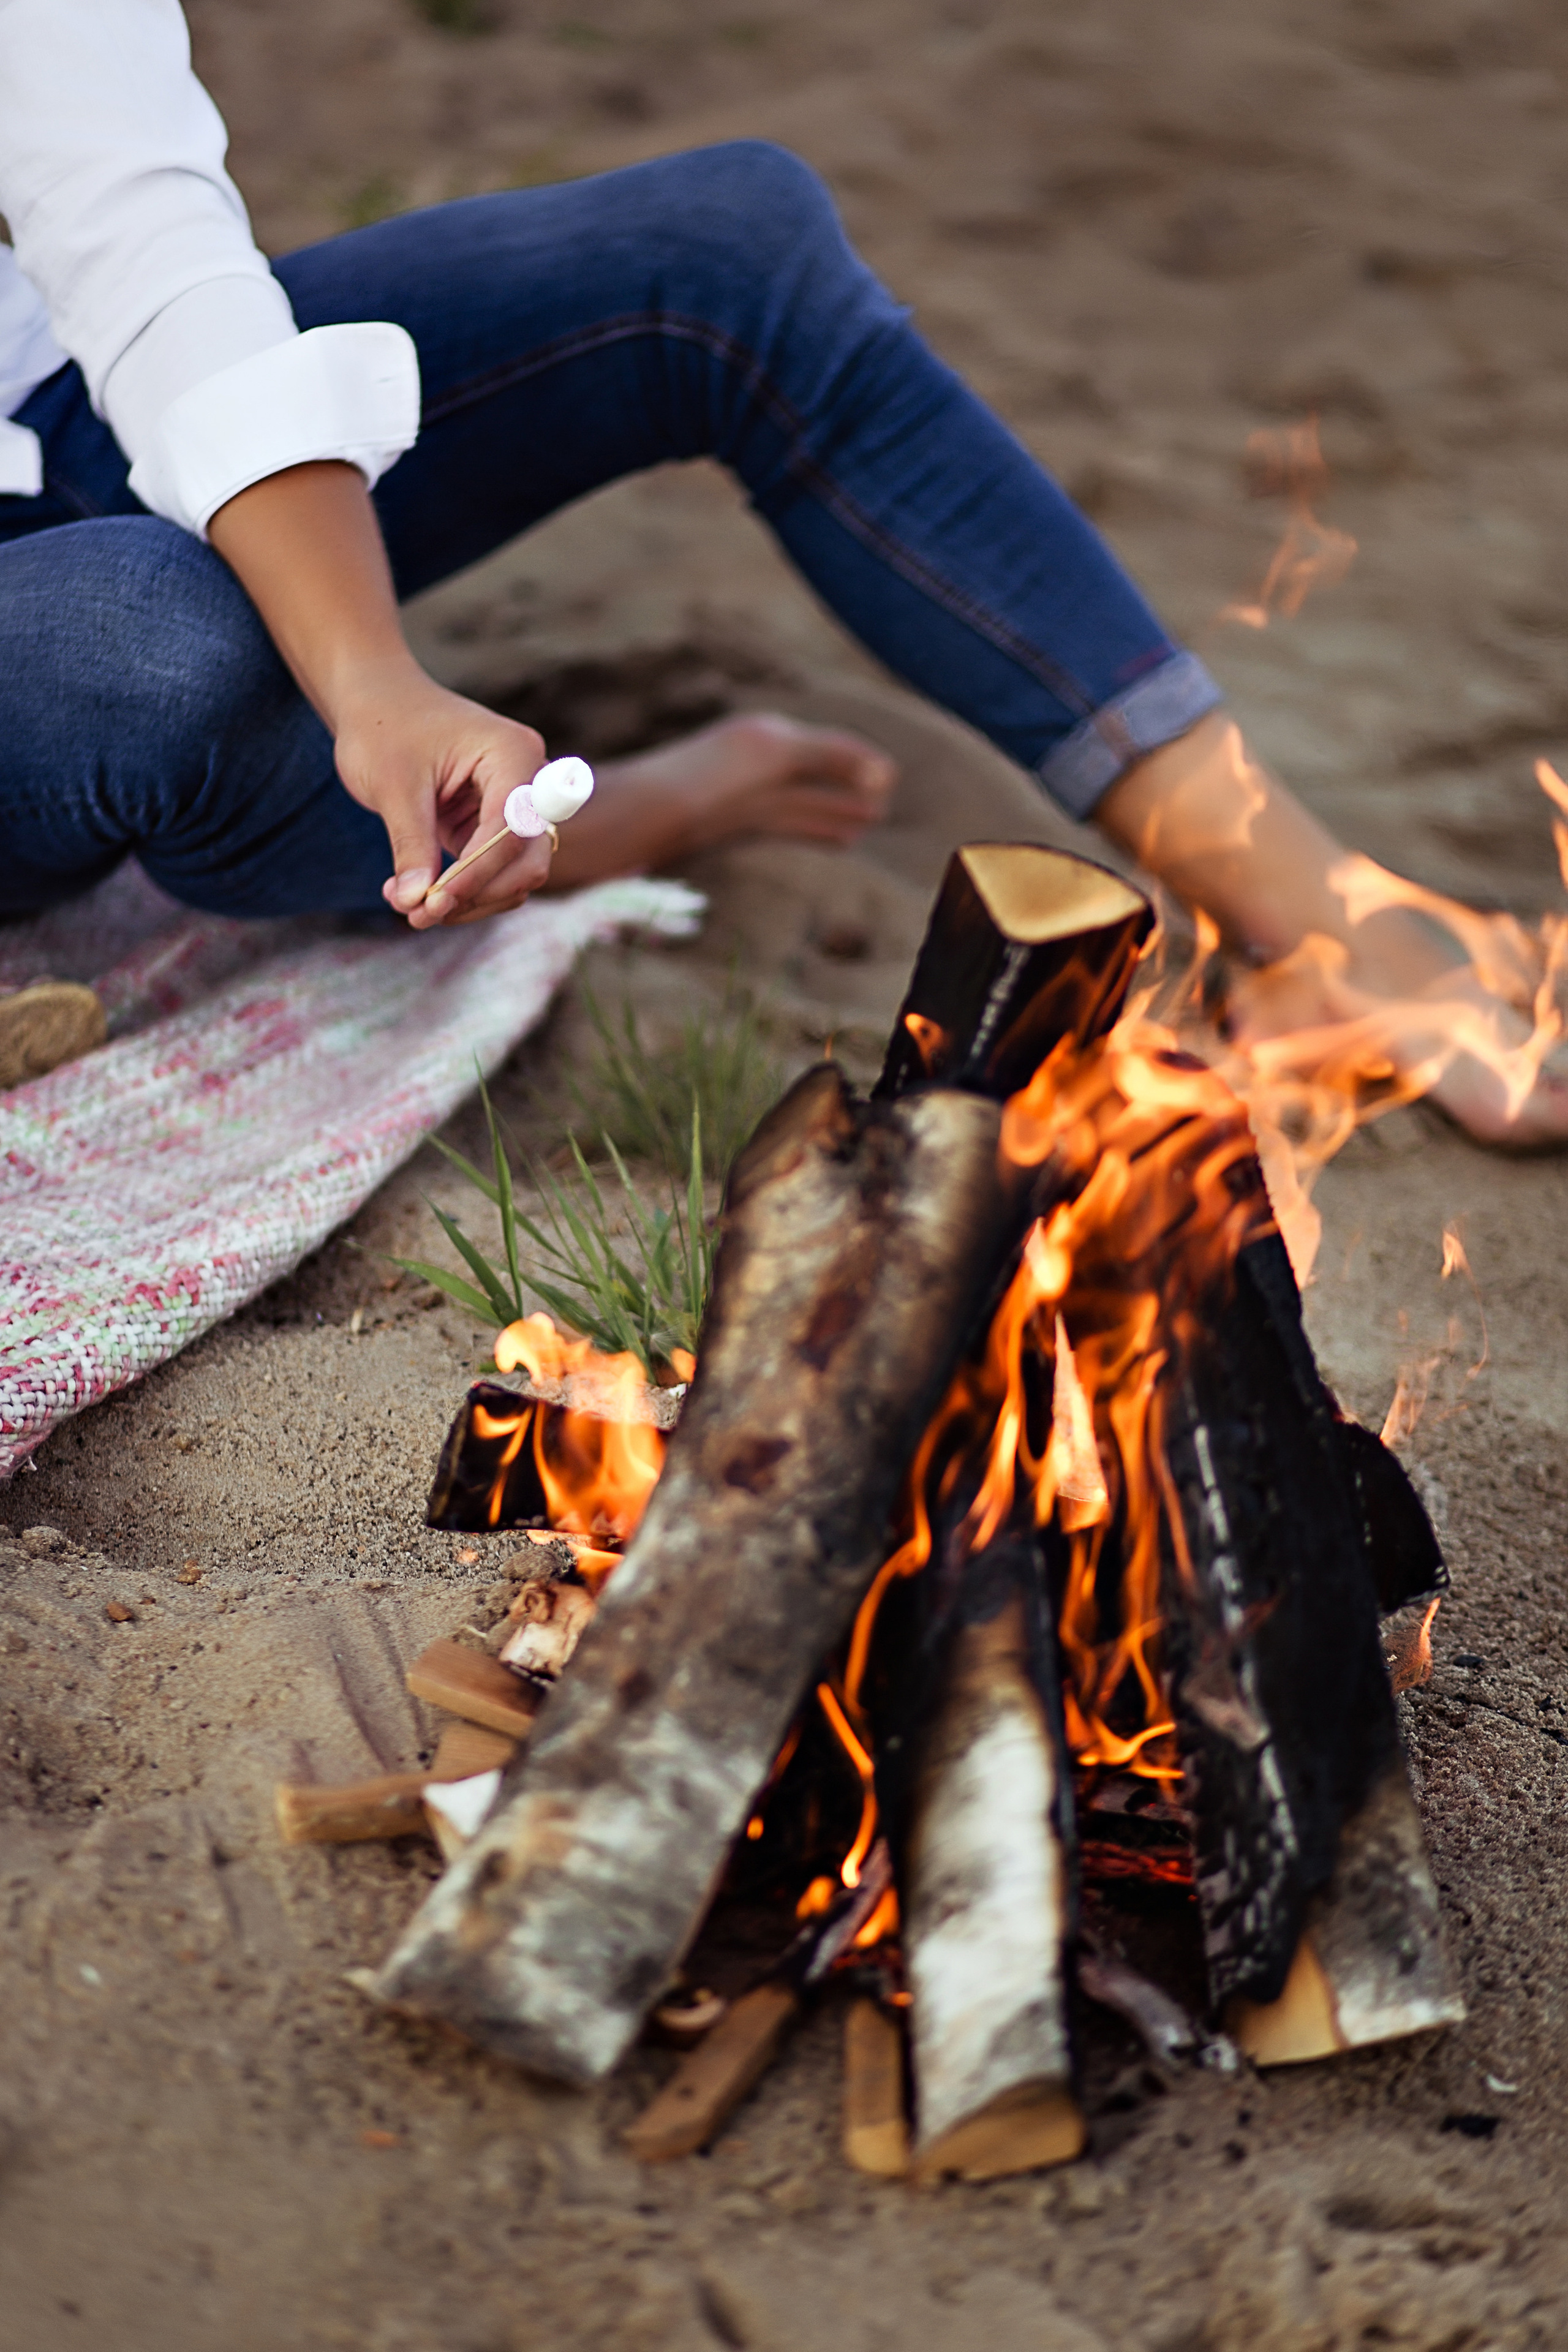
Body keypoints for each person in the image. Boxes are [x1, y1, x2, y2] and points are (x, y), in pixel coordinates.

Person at [1, 0, 1562, 1143]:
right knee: (171, 645)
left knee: (724, 256)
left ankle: (1320, 922)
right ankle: (629, 811)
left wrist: (375, 678)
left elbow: (141, 241)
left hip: (50, 403)